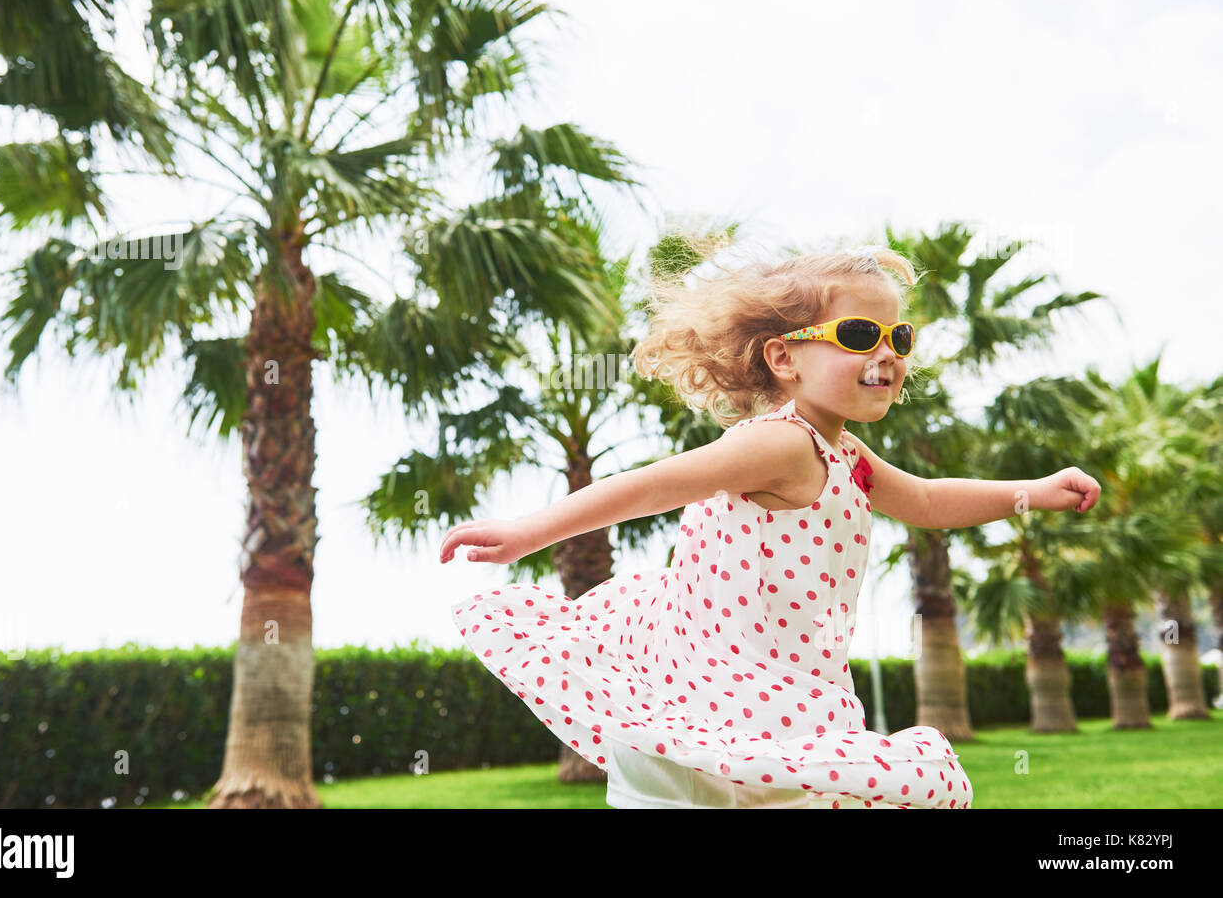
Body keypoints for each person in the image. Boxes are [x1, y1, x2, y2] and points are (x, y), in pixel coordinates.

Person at [441, 242, 1101, 808]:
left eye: (898, 338)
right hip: (724, 697)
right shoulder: (779, 445)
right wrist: (528, 532)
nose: (888, 353)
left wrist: (1032, 492)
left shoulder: (846, 456)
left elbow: (928, 501)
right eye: (858, 335)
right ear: (785, 359)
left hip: (781, 700)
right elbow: (651, 486)